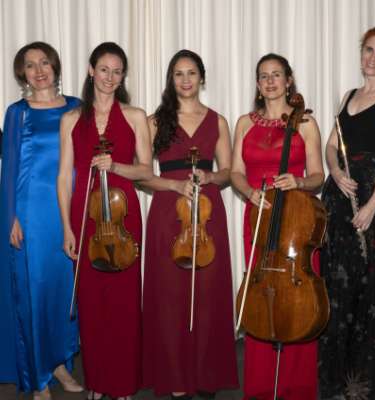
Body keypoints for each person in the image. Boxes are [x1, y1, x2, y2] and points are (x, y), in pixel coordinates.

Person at [141, 49, 239, 399]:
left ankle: (205, 375)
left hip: (207, 213)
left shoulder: (218, 121)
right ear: (171, 79)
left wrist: (210, 176)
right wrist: (173, 185)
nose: (185, 80)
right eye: (179, 74)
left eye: (192, 73)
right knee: (170, 296)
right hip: (169, 212)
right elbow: (142, 175)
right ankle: (175, 377)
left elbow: (229, 172)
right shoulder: (154, 122)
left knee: (209, 296)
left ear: (202, 78)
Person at [57, 42, 152, 400]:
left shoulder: (135, 116)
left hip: (123, 217)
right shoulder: (70, 119)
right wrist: (67, 228)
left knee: (124, 304)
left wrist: (116, 166)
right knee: (92, 304)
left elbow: (146, 171)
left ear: (123, 76)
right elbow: (63, 177)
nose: (110, 77)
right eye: (104, 69)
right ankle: (97, 381)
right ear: (90, 70)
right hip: (85, 214)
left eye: (117, 71)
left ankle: (123, 384)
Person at [231, 53, 325, 400]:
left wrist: (299, 182)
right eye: (263, 76)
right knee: (262, 297)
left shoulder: (306, 123)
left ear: (288, 80)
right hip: (259, 218)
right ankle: (259, 387)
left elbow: (318, 176)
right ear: (258, 84)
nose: (270, 81)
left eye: (276, 75)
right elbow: (236, 172)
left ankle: (296, 388)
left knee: (297, 302)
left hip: (296, 222)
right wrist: (249, 192)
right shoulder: (244, 123)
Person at [320, 26, 375, 399]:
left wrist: (370, 208)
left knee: (372, 291)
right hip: (339, 200)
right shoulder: (348, 96)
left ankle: (365, 382)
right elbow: (331, 145)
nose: (372, 58)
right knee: (340, 287)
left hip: (373, 204)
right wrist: (336, 172)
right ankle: (338, 380)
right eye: (368, 49)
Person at [0, 42, 82, 400]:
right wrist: (11, 217)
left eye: (44, 62)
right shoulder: (17, 112)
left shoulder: (77, 107)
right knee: (34, 294)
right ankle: (38, 377)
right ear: (23, 74)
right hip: (31, 214)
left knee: (64, 294)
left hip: (68, 212)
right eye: (30, 65)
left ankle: (60, 364)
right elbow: (9, 168)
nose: (38, 71)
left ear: (55, 66)